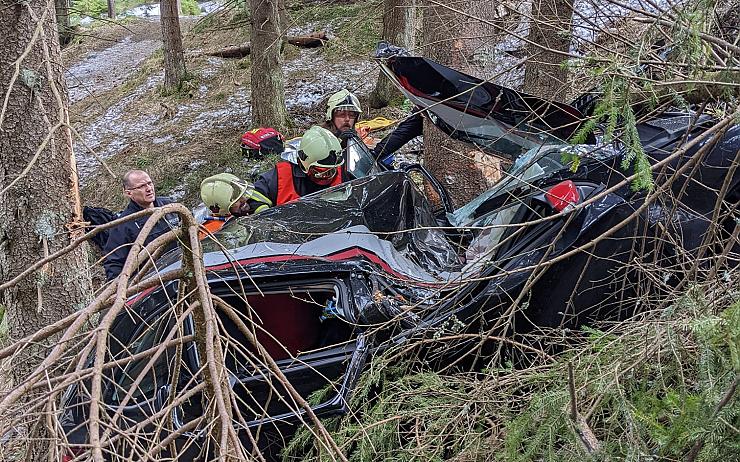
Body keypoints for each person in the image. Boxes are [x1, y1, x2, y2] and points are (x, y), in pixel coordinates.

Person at [103, 170, 178, 280]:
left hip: (181, 267)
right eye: (142, 186)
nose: (149, 189)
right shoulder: (123, 224)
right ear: (129, 193)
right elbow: (114, 263)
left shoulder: (170, 205)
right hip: (153, 280)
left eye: (149, 183)